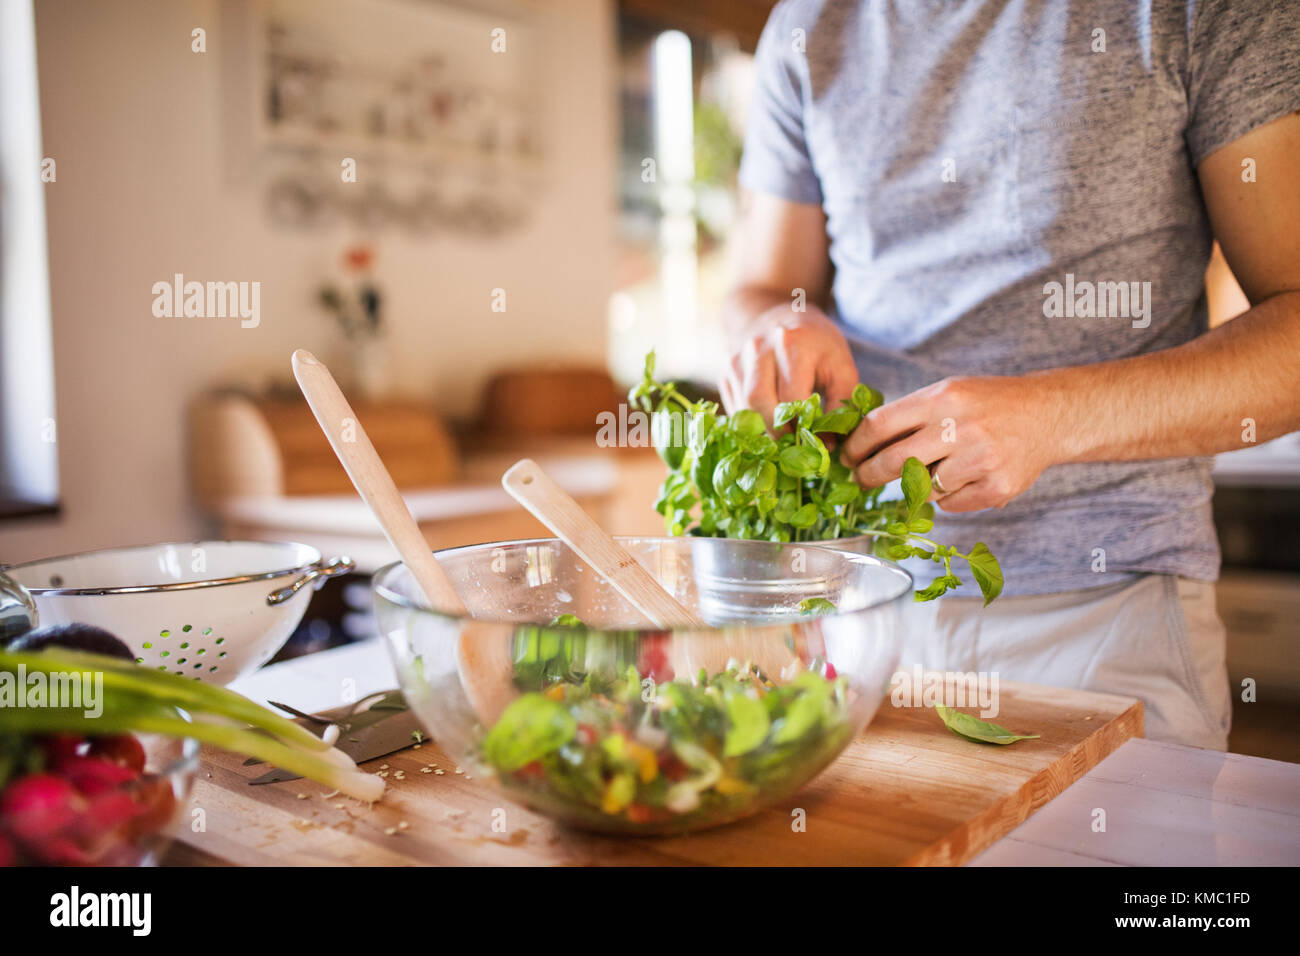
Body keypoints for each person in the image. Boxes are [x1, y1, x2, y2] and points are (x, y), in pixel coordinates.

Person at [721, 0, 1300, 749]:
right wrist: (775, 325)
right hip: (863, 612)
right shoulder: (810, 24)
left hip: (1105, 616)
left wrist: (1050, 418)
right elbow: (758, 290)